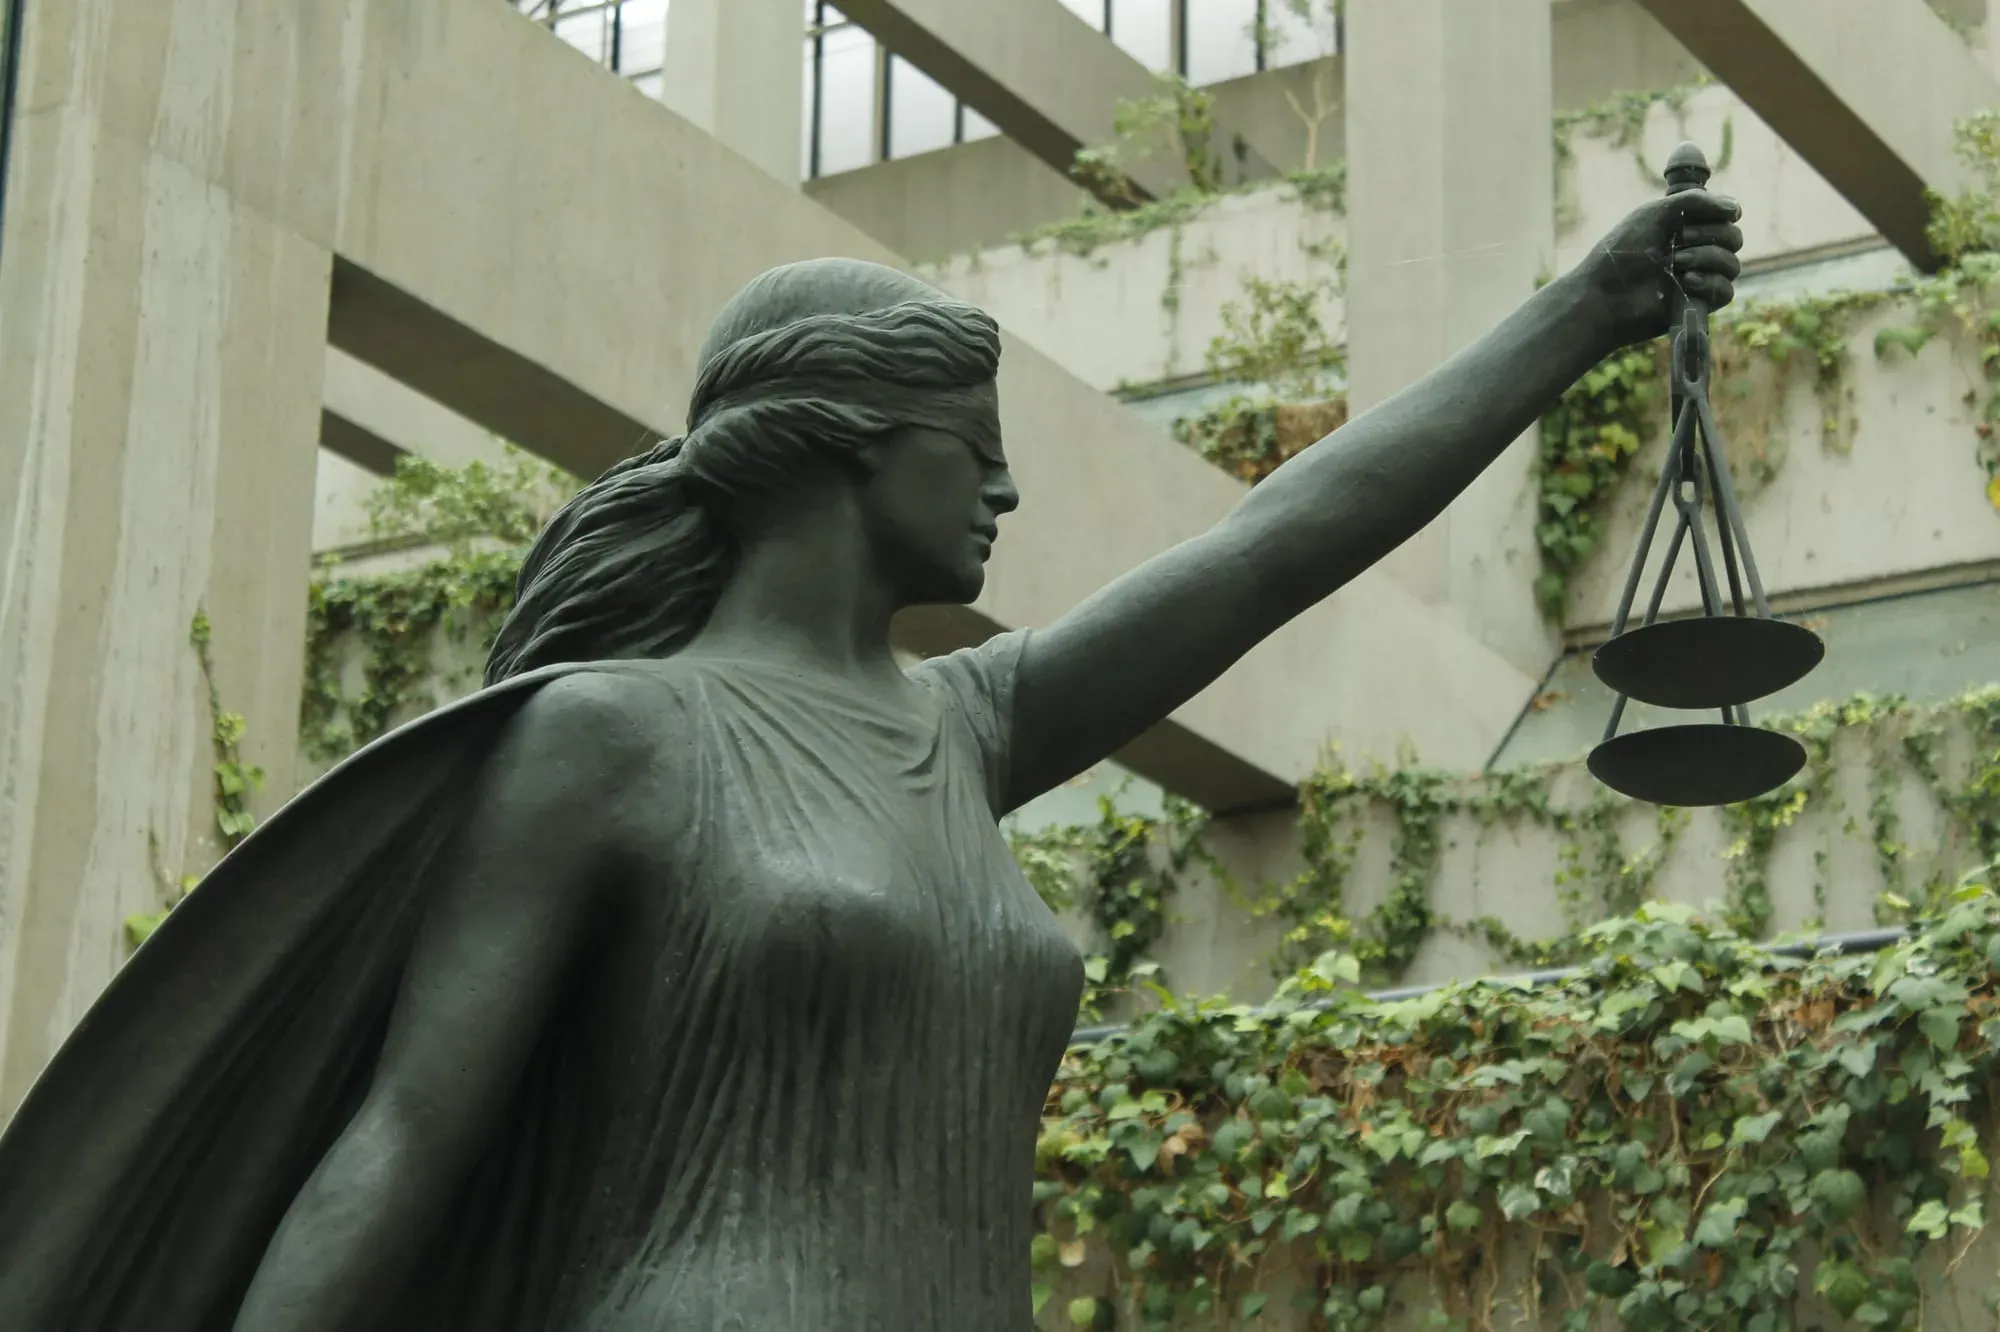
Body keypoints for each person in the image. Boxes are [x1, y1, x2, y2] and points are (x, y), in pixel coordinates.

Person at [0, 187, 1742, 1331]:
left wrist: (1578, 316)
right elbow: (403, 1144)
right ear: (840, 453)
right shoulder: (613, 738)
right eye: (966, 451)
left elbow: (1279, 545)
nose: (1002, 491)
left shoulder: (969, 729)